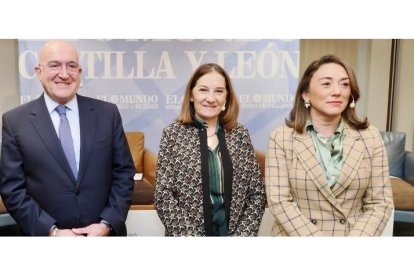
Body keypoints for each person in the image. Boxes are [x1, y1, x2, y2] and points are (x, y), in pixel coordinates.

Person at [0, 40, 135, 236]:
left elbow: (124, 173)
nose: (64, 74)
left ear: (79, 72)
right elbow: (12, 189)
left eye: (71, 66)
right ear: (39, 72)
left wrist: (107, 223)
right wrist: (52, 231)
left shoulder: (107, 114)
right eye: (54, 65)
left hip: (104, 235)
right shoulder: (15, 121)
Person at [265, 55, 394, 236]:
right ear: (306, 93)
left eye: (344, 84)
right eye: (326, 84)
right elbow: (279, 201)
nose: (337, 91)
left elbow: (380, 203)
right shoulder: (282, 137)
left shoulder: (370, 137)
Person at [154, 63, 265, 236]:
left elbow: (256, 194)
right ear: (191, 95)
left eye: (219, 91)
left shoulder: (240, 134)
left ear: (226, 97)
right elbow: (164, 196)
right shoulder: (173, 134)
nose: (211, 98)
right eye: (203, 90)